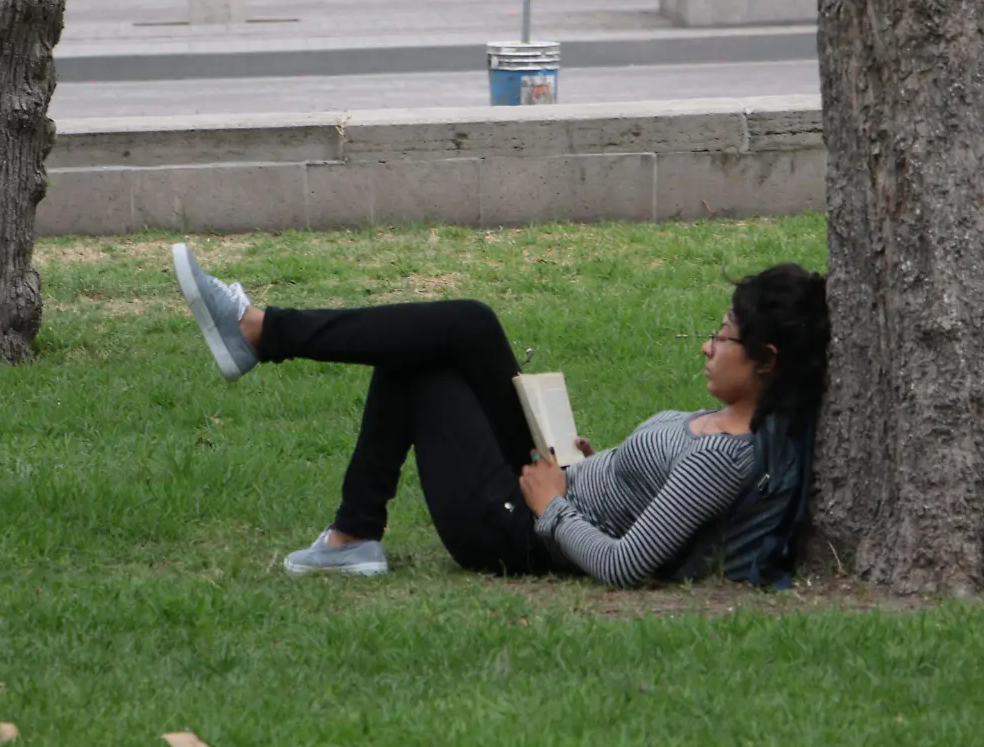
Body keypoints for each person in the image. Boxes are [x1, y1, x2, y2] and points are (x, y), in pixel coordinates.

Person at [168, 241, 829, 587]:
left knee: (424, 357)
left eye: (724, 337)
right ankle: (350, 536)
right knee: (461, 326)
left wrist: (552, 506)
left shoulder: (724, 456)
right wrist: (592, 466)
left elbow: (627, 565)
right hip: (552, 479)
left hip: (519, 533)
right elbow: (643, 493)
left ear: (766, 361)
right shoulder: (729, 426)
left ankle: (260, 335)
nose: (708, 346)